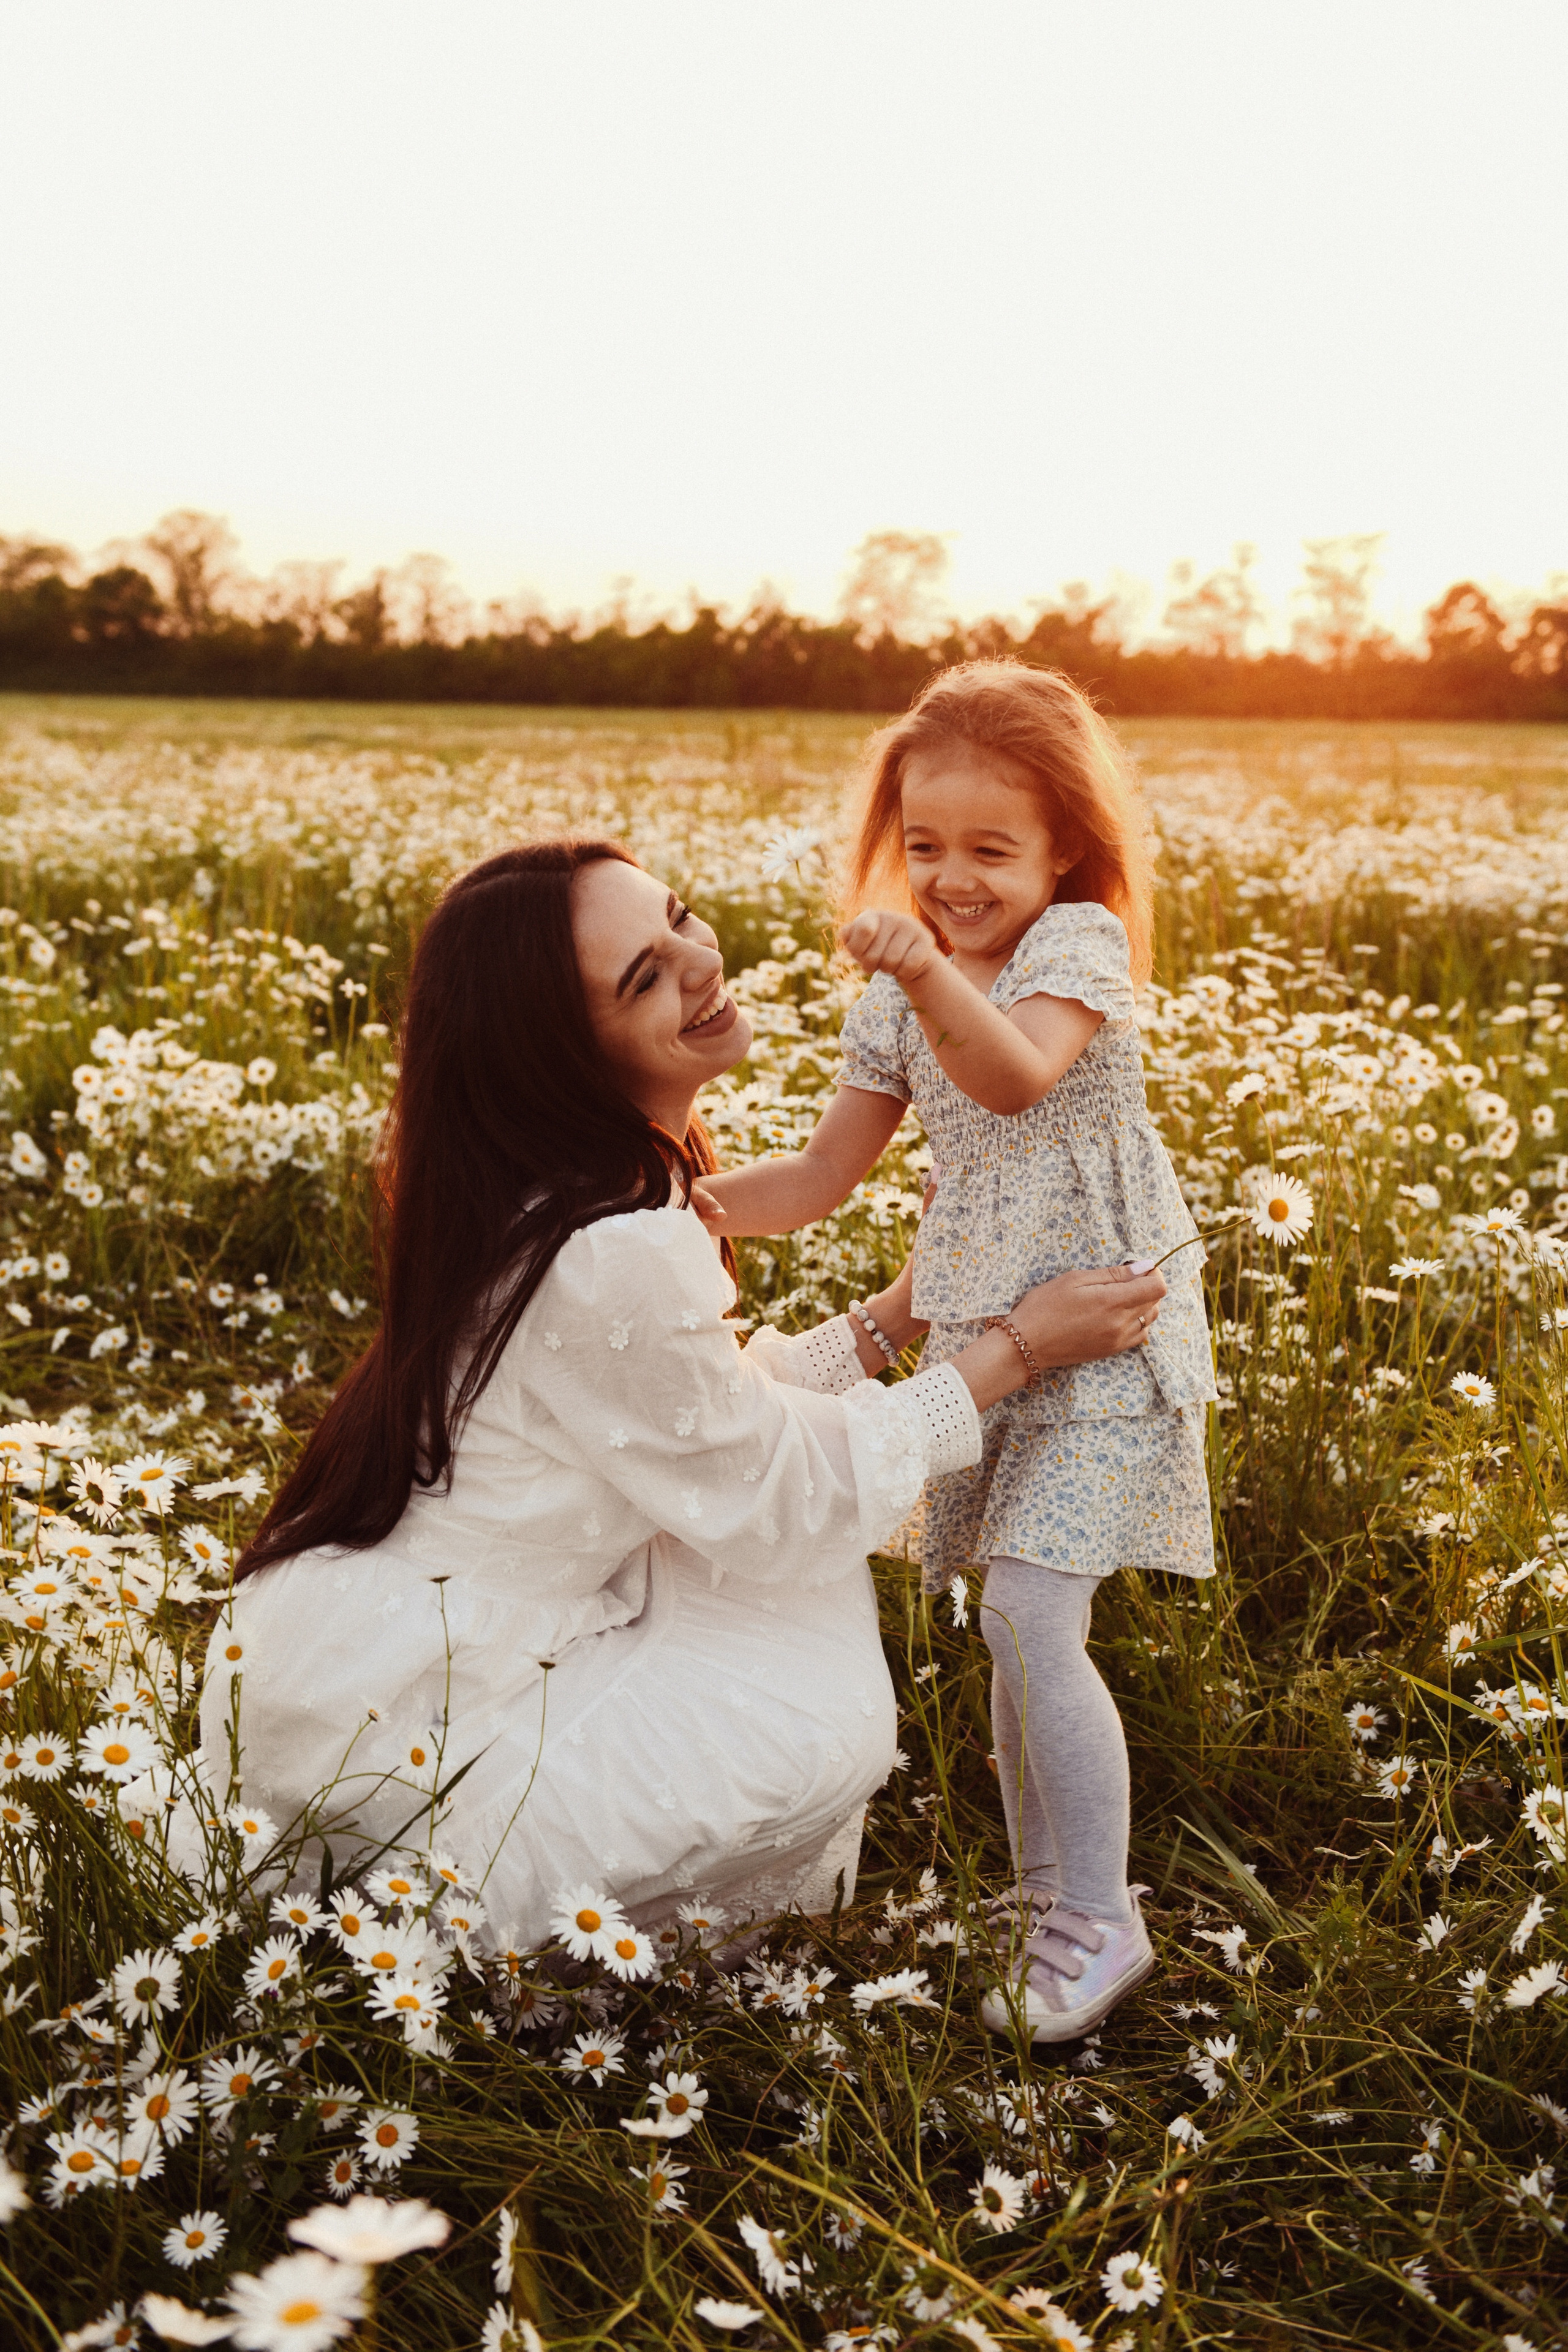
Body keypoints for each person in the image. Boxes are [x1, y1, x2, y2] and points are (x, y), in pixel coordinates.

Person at [201, 837, 1166, 1958]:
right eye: (643, 977)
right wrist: (1017, 1347)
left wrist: (902, 1310)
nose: (699, 964)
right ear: (560, 1054)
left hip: (363, 1660)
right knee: (828, 1725)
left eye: (680, 920)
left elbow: (691, 1414)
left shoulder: (564, 1186)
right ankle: (499, 1928)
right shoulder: (607, 1243)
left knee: (759, 1554)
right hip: (428, 1723)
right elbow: (778, 1492)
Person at [699, 662, 1218, 2040]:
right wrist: (675, 1198)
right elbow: (819, 1175)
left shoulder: (1075, 948)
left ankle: (1099, 1923)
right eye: (923, 847)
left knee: (1029, 1619)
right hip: (992, 1335)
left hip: (1105, 1325)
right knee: (1008, 1630)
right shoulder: (892, 1000)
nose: (950, 879)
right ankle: (1052, 1892)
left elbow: (1012, 1075)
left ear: (1064, 851)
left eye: (991, 849)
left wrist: (927, 969)